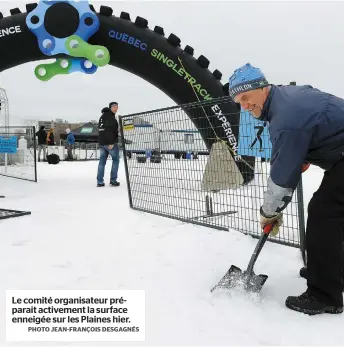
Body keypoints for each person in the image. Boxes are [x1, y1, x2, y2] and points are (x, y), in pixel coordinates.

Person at [228, 63, 344, 315]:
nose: (244, 106)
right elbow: (321, 125)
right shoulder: (284, 101)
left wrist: (269, 212)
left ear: (262, 88)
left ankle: (324, 294)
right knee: (332, 213)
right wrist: (304, 154)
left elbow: (281, 177)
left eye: (246, 97)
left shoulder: (285, 117)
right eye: (239, 102)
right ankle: (329, 269)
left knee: (324, 214)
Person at [96, 101, 120, 187]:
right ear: (110, 108)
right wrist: (111, 142)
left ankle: (99, 181)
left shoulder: (102, 117)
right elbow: (108, 131)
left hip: (102, 143)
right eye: (114, 107)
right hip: (109, 143)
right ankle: (113, 180)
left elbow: (102, 130)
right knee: (116, 160)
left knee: (102, 162)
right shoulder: (110, 117)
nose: (115, 108)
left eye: (117, 107)